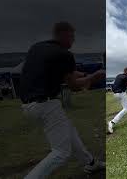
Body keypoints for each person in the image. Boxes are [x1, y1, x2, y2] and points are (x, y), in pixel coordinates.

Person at [20, 22, 105, 179]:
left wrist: (84, 74)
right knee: (61, 152)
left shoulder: (37, 48)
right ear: (63, 34)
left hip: (28, 104)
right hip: (46, 104)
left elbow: (64, 73)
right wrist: (93, 77)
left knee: (70, 132)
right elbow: (73, 86)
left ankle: (91, 163)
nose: (73, 40)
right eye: (72, 36)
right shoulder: (64, 55)